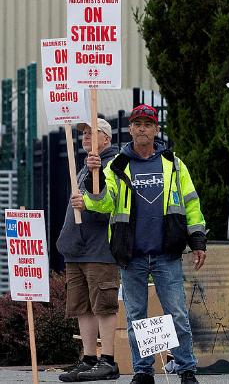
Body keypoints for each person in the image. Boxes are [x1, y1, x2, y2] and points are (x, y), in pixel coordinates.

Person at [72, 104, 207, 384]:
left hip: (166, 252)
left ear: (156, 129)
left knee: (178, 315)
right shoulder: (118, 165)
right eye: (138, 124)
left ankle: (187, 370)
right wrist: (93, 184)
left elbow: (191, 203)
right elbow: (104, 202)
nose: (143, 128)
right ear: (130, 129)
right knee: (136, 318)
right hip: (131, 254)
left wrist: (197, 241)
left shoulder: (173, 164)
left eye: (148, 124)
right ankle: (143, 372)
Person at [57, 118, 121, 382]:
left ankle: (108, 360)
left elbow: (111, 200)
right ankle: (89, 358)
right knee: (82, 306)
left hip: (100, 249)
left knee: (103, 306)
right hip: (77, 249)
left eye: (92, 133)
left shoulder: (113, 164)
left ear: (106, 138)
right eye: (83, 133)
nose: (85, 137)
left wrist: (99, 176)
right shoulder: (84, 167)